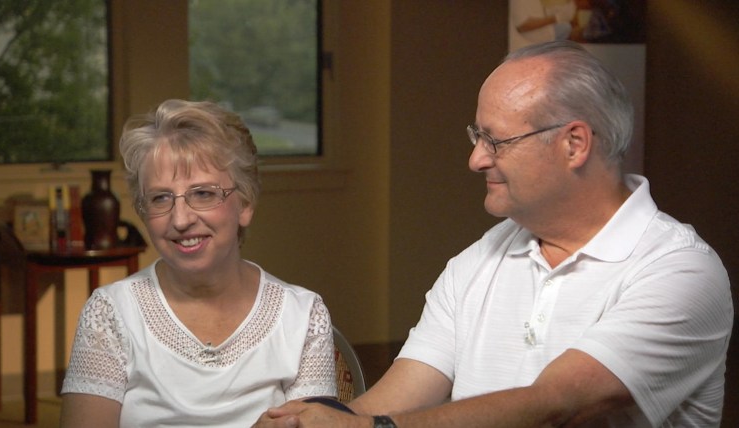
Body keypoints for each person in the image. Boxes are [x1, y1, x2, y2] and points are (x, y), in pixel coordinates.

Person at [255, 40, 733, 427]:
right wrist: (313, 421)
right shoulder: (478, 261)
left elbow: (556, 404)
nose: (476, 159)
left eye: (496, 140)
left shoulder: (680, 271)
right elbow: (395, 401)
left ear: (574, 144)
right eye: (476, 136)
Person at [60, 99, 337, 427]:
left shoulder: (303, 316)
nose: (180, 219)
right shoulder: (110, 313)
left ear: (245, 204)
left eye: (203, 194)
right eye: (160, 198)